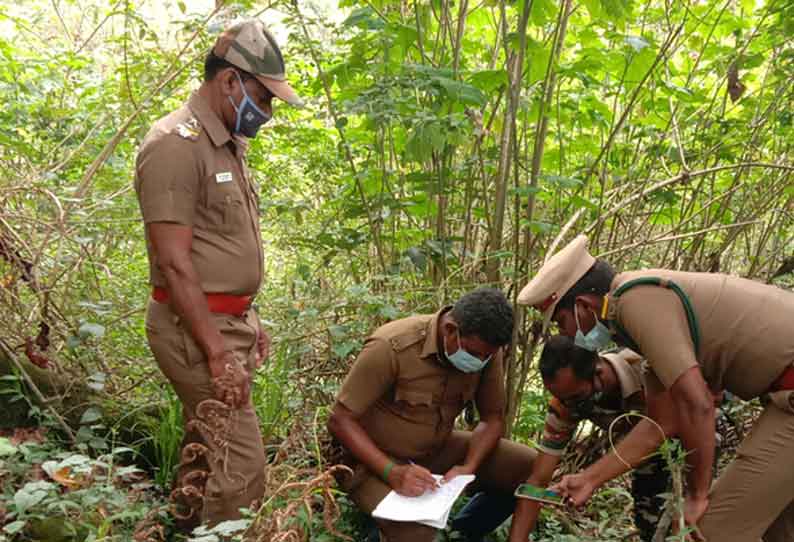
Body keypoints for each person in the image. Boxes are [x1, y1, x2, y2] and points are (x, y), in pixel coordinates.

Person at [133, 19, 302, 528]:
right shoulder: (174, 145)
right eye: (264, 98)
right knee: (243, 466)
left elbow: (220, 247)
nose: (268, 113)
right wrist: (217, 352)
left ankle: (182, 528)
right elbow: (174, 263)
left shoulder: (224, 143)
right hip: (193, 329)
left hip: (225, 322)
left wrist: (248, 317)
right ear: (230, 81)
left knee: (207, 452)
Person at [517, 235, 794, 541]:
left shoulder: (635, 301)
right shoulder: (641, 314)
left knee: (706, 532)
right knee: (778, 529)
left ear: (582, 306)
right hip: (783, 395)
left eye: (561, 321)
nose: (564, 333)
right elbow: (660, 424)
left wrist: (697, 495)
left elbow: (697, 403)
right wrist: (589, 479)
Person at [327, 288, 537, 542]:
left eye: (487, 355)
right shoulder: (392, 347)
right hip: (370, 461)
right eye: (473, 353)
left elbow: (493, 417)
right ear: (450, 330)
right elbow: (340, 419)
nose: (480, 361)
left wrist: (468, 466)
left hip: (434, 450)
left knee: (529, 465)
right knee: (416, 533)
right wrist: (392, 472)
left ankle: (463, 533)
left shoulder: (485, 351)